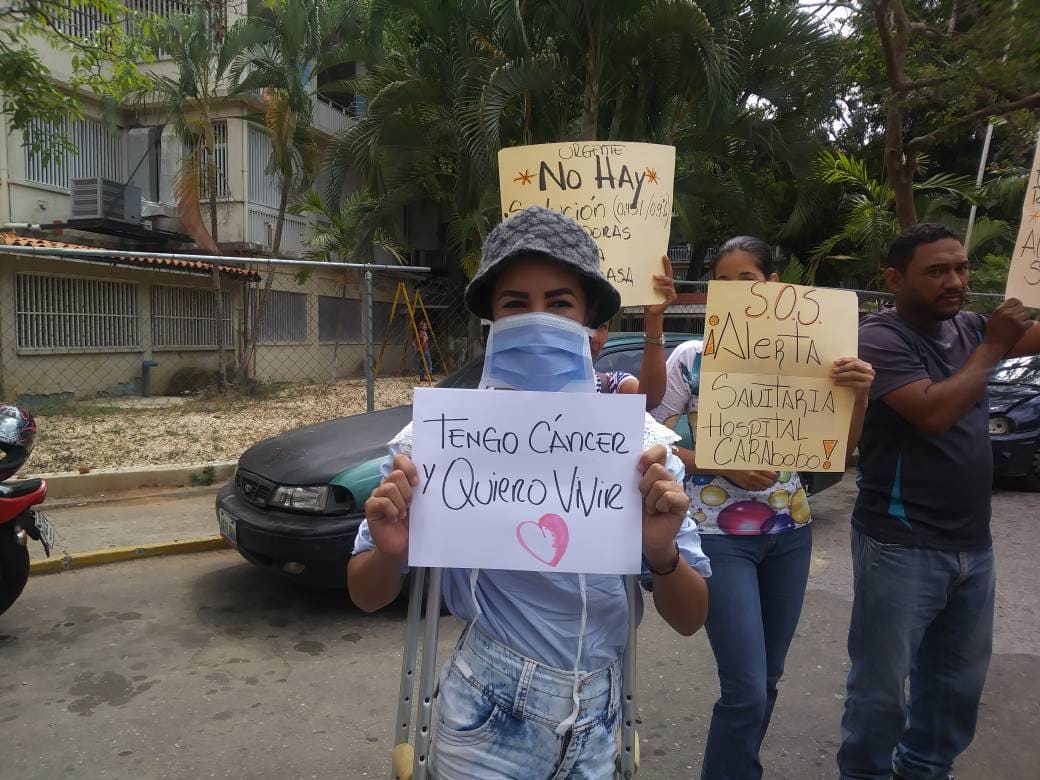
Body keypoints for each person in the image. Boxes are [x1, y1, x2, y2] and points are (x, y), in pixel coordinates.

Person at [348, 205, 712, 779]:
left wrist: (662, 553)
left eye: (559, 302)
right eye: (516, 303)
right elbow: (366, 594)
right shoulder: (438, 441)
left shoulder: (641, 448)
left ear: (591, 322)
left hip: (602, 714)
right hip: (486, 712)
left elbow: (691, 618)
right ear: (492, 317)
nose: (538, 318)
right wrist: (392, 550)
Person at [651, 236, 874, 780]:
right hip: (717, 538)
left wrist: (860, 395)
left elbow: (838, 454)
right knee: (746, 687)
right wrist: (717, 462)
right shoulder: (692, 358)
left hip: (789, 533)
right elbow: (650, 438)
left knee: (768, 678)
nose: (730, 293)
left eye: (744, 280)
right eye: (720, 283)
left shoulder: (812, 358)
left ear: (773, 286)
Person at [837, 223, 1040, 780]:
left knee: (956, 686)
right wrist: (995, 345)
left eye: (962, 268)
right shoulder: (880, 338)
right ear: (895, 279)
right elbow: (932, 412)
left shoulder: (969, 326)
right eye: (937, 271)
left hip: (974, 544)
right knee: (881, 690)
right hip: (900, 542)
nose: (956, 281)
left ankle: (925, 771)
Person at [589, 255, 678, 409]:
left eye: (602, 326)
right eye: (586, 325)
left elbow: (648, 399)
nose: (594, 336)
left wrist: (653, 318)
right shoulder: (532, 385)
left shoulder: (612, 386)